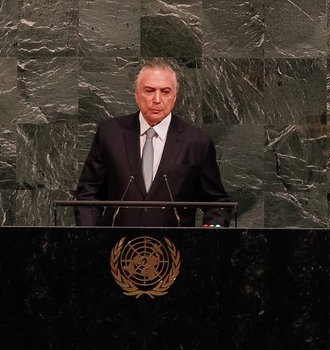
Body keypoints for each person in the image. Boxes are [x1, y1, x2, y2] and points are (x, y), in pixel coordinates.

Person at [75, 60, 231, 227]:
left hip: (174, 248)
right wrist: (89, 236)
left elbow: (216, 202)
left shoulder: (196, 142)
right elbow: (88, 193)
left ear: (174, 97)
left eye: (165, 92)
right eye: (149, 91)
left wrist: (214, 228)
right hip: (117, 248)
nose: (157, 99)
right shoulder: (110, 133)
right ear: (136, 94)